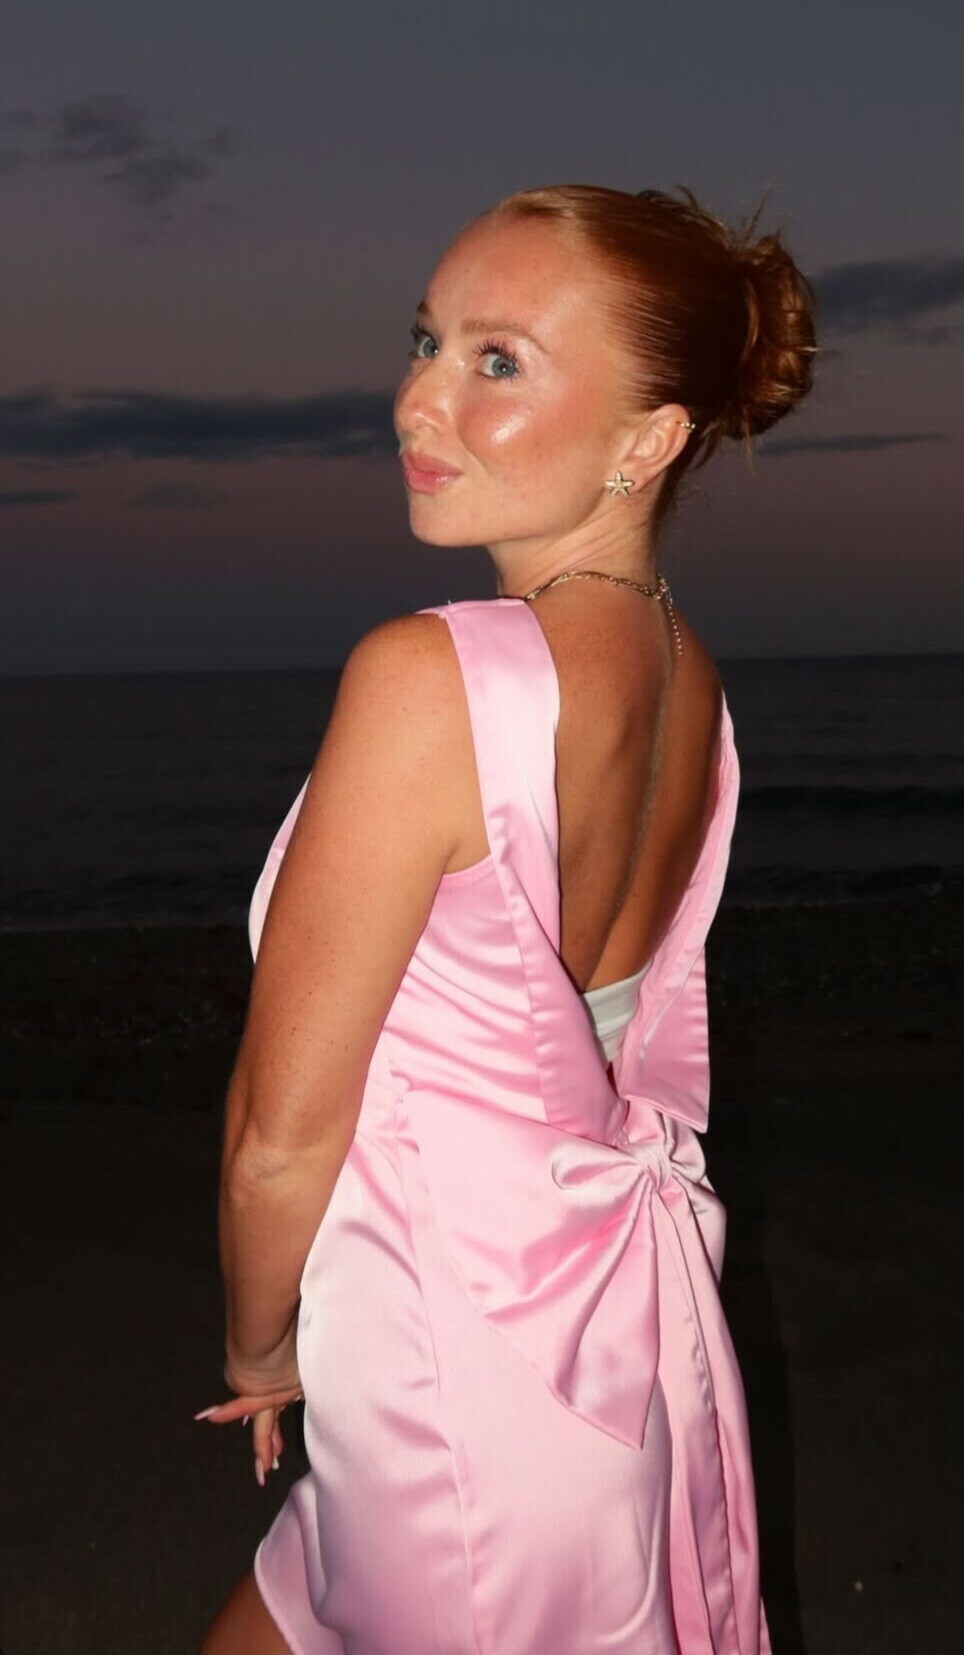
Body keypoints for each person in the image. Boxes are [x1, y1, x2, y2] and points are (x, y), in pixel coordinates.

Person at [196, 182, 817, 1655]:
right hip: (580, 1354)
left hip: (455, 1398)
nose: (420, 401)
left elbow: (281, 1135)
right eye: (426, 342)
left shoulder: (431, 680)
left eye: (498, 362)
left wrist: (258, 1345)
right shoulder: (690, 678)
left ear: (647, 442)